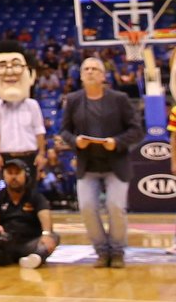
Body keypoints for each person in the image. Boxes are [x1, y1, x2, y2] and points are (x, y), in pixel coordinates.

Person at [60, 55, 142, 268]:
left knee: (115, 207)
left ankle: (117, 251)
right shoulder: (74, 100)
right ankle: (101, 251)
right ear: (81, 76)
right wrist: (75, 141)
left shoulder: (119, 99)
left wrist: (117, 142)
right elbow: (64, 131)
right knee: (87, 208)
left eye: (95, 68)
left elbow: (136, 130)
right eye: (86, 69)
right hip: (88, 165)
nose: (90, 72)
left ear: (103, 75)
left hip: (115, 164)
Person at [0, 45, 45, 173]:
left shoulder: (32, 105)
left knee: (31, 191)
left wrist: (41, 153)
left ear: (31, 74)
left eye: (17, 65)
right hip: (6, 156)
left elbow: (39, 130)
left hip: (30, 156)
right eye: (2, 66)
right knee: (9, 192)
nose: (9, 71)